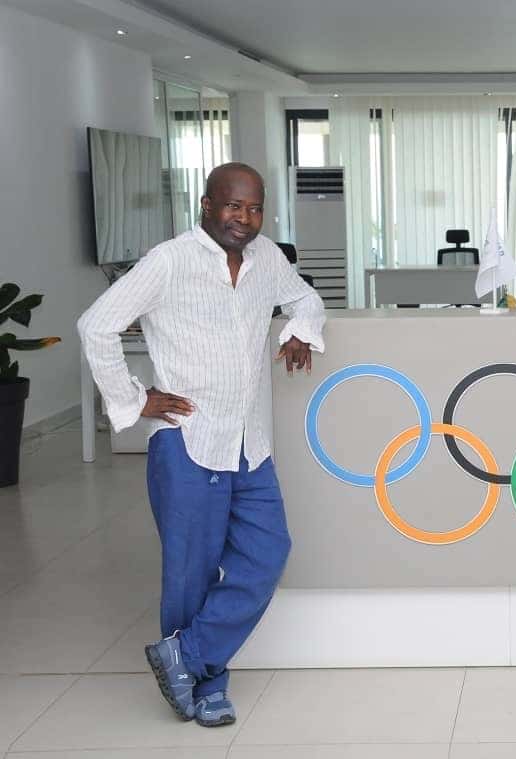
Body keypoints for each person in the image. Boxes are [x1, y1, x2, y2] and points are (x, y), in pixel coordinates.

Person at [78, 163, 326, 727]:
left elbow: (306, 299)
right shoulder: (170, 261)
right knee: (191, 571)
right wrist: (135, 398)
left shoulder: (267, 261)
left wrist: (298, 331)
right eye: (234, 206)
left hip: (250, 441)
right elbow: (97, 325)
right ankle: (205, 685)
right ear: (207, 205)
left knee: (267, 554)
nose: (245, 219)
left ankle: (185, 657)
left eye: (256, 208)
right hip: (190, 439)